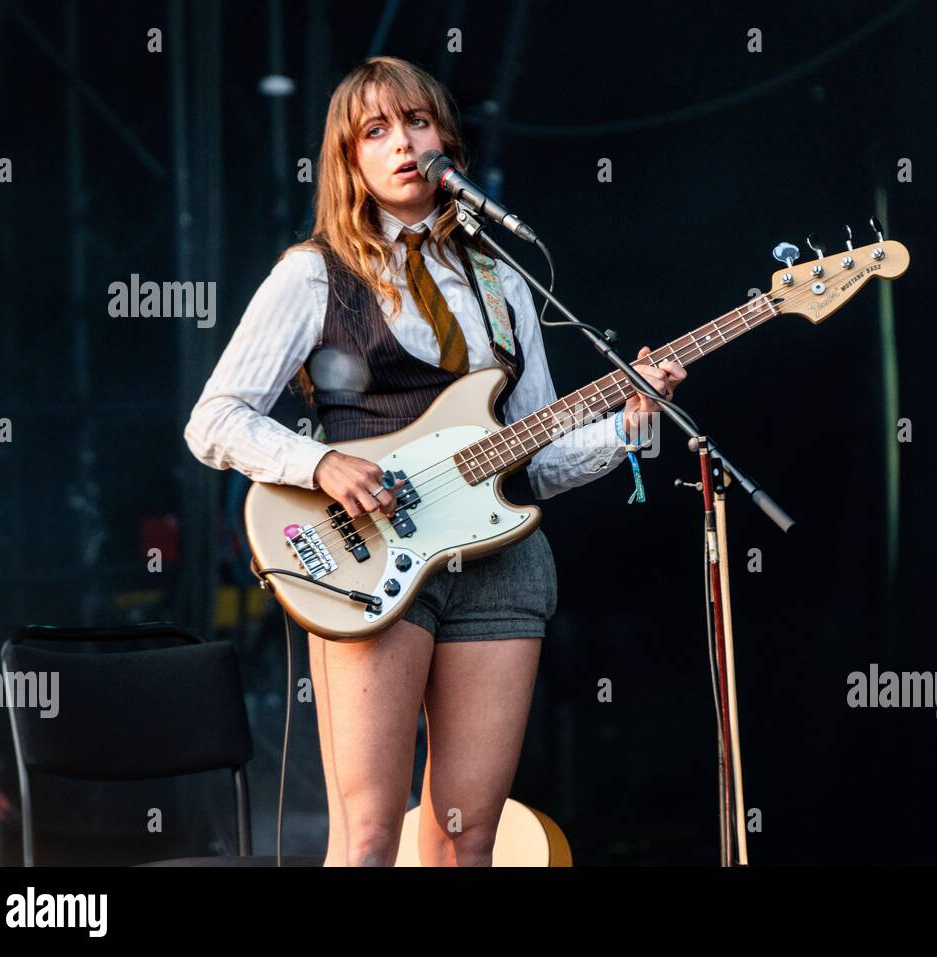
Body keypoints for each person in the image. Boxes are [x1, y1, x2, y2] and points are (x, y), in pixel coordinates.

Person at [184, 56, 686, 866]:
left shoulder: (501, 279)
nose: (403, 143)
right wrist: (318, 466)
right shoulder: (315, 273)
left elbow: (540, 455)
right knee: (371, 833)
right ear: (350, 161)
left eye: (417, 122)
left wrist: (631, 423)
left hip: (500, 564)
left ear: (446, 139)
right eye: (375, 131)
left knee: (465, 836)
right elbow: (214, 419)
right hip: (369, 552)